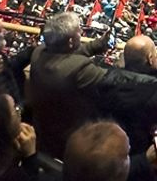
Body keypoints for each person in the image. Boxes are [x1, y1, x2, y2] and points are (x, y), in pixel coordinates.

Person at [27, 12, 110, 155]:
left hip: (43, 126)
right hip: (69, 136)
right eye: (79, 31)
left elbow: (67, 55)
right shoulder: (79, 68)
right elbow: (113, 81)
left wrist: (97, 45)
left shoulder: (39, 52)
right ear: (71, 41)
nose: (82, 32)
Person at [98, 35, 157, 153]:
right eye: (156, 56)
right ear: (150, 59)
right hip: (144, 156)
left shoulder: (107, 78)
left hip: (109, 148)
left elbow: (138, 76)